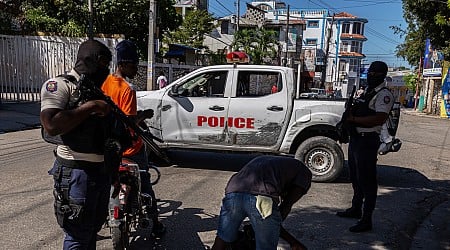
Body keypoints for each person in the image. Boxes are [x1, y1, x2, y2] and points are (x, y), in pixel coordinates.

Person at [40, 39, 115, 249]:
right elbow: (51, 124)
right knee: (77, 234)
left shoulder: (96, 92)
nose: (106, 70)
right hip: (75, 172)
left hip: (100, 171)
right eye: (104, 64)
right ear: (94, 60)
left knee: (92, 229)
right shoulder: (59, 85)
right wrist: (91, 107)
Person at [101, 40, 166, 237]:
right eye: (133, 65)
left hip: (109, 147)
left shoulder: (105, 83)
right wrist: (144, 115)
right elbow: (129, 121)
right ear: (122, 64)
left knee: (104, 183)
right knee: (145, 183)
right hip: (130, 148)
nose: (136, 69)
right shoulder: (127, 89)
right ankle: (155, 225)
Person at [336, 61, 394, 233]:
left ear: (383, 75)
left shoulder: (384, 95)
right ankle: (356, 209)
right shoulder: (367, 92)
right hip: (356, 139)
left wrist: (354, 120)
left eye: (375, 73)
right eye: (370, 72)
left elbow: (379, 119)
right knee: (356, 178)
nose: (371, 75)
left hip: (367, 140)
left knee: (367, 181)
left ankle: (366, 219)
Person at [212, 155, 312, 250]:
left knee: (222, 239)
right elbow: (286, 206)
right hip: (262, 198)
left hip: (233, 192)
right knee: (265, 246)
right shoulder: (304, 173)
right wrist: (293, 242)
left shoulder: (275, 164)